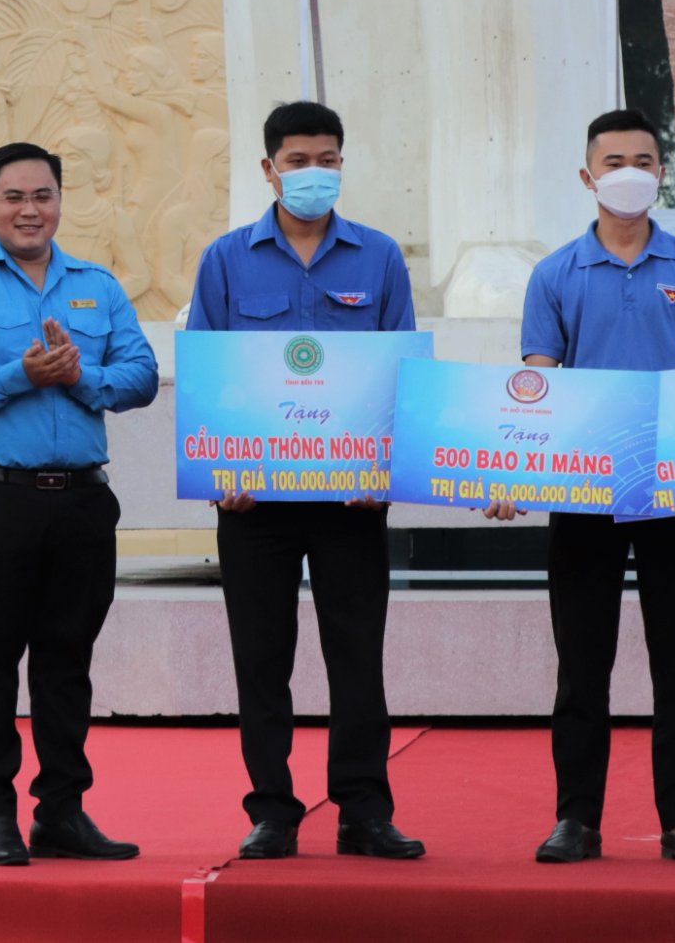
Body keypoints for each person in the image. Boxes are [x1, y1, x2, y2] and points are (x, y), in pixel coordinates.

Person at [506, 109, 675, 868]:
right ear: (587, 176)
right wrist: (512, 470)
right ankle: (576, 818)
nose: (629, 173)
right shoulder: (554, 274)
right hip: (584, 492)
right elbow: (538, 386)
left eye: (643, 161)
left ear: (661, 173)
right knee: (582, 665)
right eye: (613, 162)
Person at [186, 100, 425, 862]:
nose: (313, 173)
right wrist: (221, 472)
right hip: (254, 501)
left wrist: (385, 467)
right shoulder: (226, 259)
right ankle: (273, 811)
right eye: (297, 161)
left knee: (357, 657)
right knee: (262, 661)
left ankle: (363, 810)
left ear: (342, 164)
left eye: (327, 160)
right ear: (269, 169)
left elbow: (403, 373)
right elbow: (206, 372)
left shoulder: (379, 257)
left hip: (351, 498)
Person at [0, 142, 159, 867]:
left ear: (59, 201)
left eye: (42, 195)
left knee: (66, 661)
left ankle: (61, 811)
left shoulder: (96, 285)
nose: (29, 210)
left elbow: (141, 374)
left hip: (81, 501)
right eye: (14, 197)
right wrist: (18, 374)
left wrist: (80, 378)